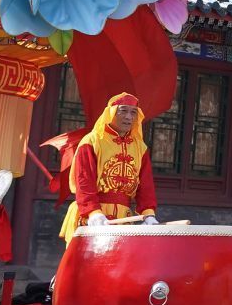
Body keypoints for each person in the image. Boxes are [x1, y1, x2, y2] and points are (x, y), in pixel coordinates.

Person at [60, 94, 158, 237]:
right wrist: (93, 213)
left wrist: (148, 214)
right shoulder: (92, 141)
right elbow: (84, 181)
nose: (129, 117)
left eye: (133, 112)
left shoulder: (140, 147)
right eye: (123, 111)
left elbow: (146, 186)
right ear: (111, 113)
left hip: (124, 219)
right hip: (92, 218)